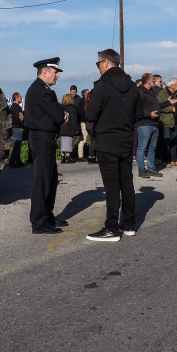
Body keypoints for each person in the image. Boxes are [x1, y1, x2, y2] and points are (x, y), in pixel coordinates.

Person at [84, 48, 142, 242]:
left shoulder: (103, 85)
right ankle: (129, 225)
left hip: (107, 141)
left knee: (111, 186)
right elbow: (139, 113)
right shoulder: (133, 86)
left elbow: (90, 114)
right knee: (127, 182)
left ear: (106, 63)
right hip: (126, 139)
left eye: (98, 63)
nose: (98, 67)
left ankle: (111, 227)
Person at [24, 57, 70, 234]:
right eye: (55, 72)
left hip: (44, 138)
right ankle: (39, 222)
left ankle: (47, 216)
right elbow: (59, 116)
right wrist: (62, 116)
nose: (57, 75)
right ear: (45, 72)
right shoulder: (41, 91)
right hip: (42, 138)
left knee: (50, 179)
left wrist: (61, 114)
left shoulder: (41, 89)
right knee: (42, 181)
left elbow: (58, 114)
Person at [136, 73, 173, 178]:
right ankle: (142, 170)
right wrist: (149, 114)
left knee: (152, 148)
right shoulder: (139, 93)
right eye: (153, 79)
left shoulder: (151, 93)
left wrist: (167, 102)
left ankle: (151, 168)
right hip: (144, 124)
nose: (155, 81)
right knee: (142, 148)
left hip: (154, 124)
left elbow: (156, 106)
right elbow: (137, 110)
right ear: (148, 81)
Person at [158, 78, 177, 166]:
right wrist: (172, 109)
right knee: (165, 141)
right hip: (165, 121)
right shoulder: (162, 94)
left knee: (174, 141)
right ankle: (165, 159)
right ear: (172, 86)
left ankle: (174, 158)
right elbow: (159, 106)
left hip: (175, 121)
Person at [60, 93, 79, 164]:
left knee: (63, 141)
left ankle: (62, 157)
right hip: (69, 127)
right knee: (69, 142)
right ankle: (68, 158)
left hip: (62, 126)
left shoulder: (60, 107)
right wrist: (77, 128)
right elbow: (74, 119)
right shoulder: (72, 108)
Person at [8, 92, 25, 168]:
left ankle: (18, 161)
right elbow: (17, 118)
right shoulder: (16, 107)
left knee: (17, 145)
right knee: (17, 145)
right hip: (17, 128)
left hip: (15, 127)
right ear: (17, 98)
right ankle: (12, 161)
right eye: (20, 97)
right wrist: (22, 125)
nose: (21, 98)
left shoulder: (12, 107)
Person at [73, 87, 89, 160]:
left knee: (84, 138)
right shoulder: (83, 102)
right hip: (84, 121)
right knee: (83, 139)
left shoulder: (82, 101)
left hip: (83, 121)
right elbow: (82, 113)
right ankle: (81, 155)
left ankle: (84, 153)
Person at [83, 89, 96, 163]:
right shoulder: (92, 104)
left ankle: (92, 156)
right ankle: (91, 157)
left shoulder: (87, 103)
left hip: (88, 124)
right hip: (92, 124)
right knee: (94, 140)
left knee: (92, 140)